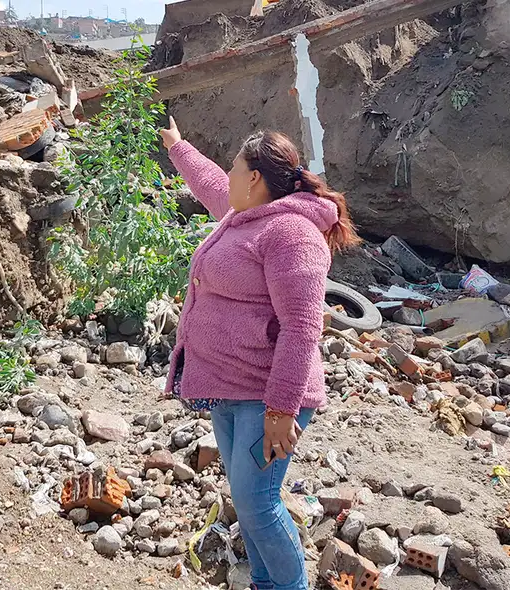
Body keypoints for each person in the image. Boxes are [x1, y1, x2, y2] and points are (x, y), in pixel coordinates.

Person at [160, 117, 360, 590]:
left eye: (235, 169)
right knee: (247, 498)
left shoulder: (293, 233)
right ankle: (265, 584)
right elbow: (211, 184)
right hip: (230, 388)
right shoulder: (244, 216)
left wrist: (280, 409)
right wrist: (178, 146)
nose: (226, 177)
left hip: (266, 395)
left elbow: (302, 326)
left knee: (258, 504)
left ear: (254, 178)